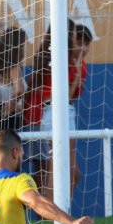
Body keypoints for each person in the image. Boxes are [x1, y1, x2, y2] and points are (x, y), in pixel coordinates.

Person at [32, 22, 91, 201]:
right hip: (54, 112)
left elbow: (69, 98)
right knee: (56, 170)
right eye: (75, 37)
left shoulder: (73, 62)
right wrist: (76, 79)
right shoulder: (57, 60)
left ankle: (58, 210)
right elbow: (60, 97)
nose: (80, 45)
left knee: (71, 173)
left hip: (61, 112)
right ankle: (52, 213)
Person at [0, 26, 28, 132]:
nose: (26, 48)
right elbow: (19, 90)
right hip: (9, 115)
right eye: (24, 44)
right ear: (18, 46)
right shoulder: (14, 67)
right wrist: (12, 104)